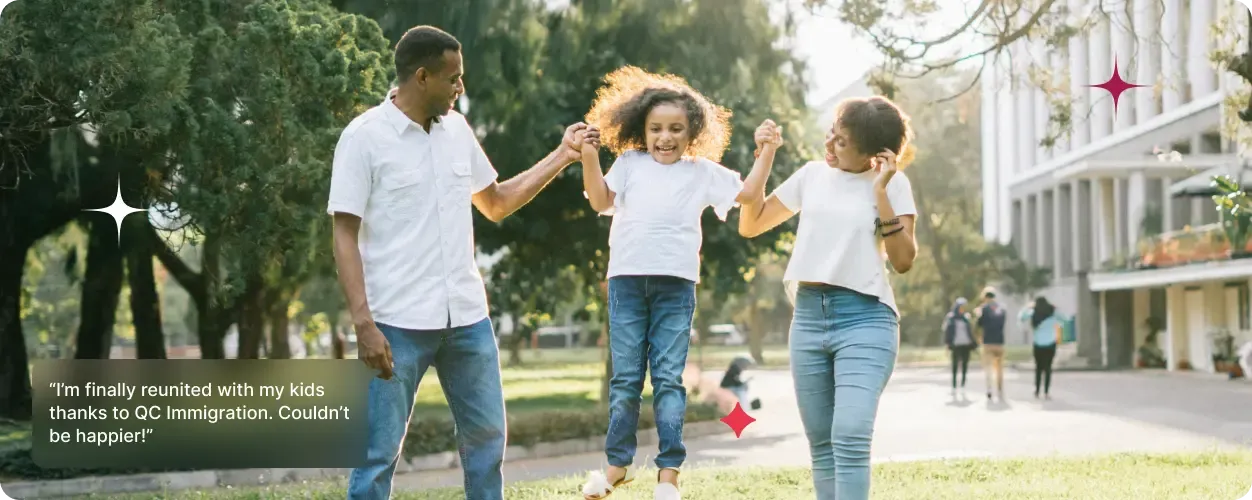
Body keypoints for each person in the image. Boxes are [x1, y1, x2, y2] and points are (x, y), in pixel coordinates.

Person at [327, 25, 599, 500]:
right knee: (377, 454)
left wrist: (562, 156)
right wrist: (363, 323)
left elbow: (494, 202)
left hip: (467, 317)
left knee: (488, 441)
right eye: (453, 78)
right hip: (396, 323)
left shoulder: (456, 130)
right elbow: (344, 235)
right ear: (421, 76)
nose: (461, 88)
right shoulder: (364, 138)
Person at [576, 65, 778, 500]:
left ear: (693, 132)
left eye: (675, 129)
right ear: (641, 130)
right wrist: (590, 156)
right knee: (626, 380)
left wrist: (766, 151)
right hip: (627, 284)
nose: (664, 137)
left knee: (668, 379)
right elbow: (599, 199)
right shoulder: (629, 163)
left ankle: (669, 474)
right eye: (655, 129)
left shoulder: (701, 171)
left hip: (675, 287)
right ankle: (616, 467)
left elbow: (747, 196)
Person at [738, 96, 919, 500]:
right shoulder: (811, 176)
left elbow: (904, 260)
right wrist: (765, 156)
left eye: (842, 141)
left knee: (850, 435)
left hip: (866, 319)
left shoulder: (895, 184)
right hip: (807, 318)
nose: (830, 144)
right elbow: (750, 224)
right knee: (821, 444)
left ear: (875, 154)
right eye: (832, 133)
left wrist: (882, 191)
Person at [975, 286, 1008, 400]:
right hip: (999, 341)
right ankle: (1000, 389)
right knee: (999, 368)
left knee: (988, 367)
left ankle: (989, 389)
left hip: (988, 342)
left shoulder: (984, 308)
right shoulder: (1002, 308)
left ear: (985, 297)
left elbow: (979, 324)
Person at [1029, 297, 1064, 399]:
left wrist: (1028, 307)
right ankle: (1046, 392)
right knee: (1048, 368)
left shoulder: (1034, 314)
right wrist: (1057, 310)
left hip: (1038, 344)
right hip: (1050, 344)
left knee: (1038, 368)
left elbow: (1022, 316)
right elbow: (1064, 318)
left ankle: (1037, 391)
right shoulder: (1053, 313)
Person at [942, 297, 977, 394]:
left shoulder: (966, 317)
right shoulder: (951, 317)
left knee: (965, 365)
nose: (962, 309)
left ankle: (963, 385)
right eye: (961, 307)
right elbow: (947, 332)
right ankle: (954, 385)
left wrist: (973, 343)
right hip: (955, 345)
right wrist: (947, 344)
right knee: (955, 366)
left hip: (966, 345)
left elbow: (970, 332)